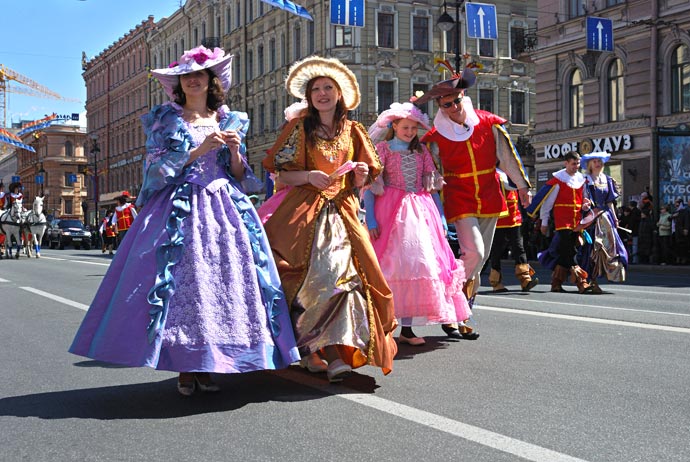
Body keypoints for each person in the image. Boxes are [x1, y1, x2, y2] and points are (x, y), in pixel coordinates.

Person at [70, 45, 299, 396]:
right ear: (179, 84)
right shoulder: (166, 119)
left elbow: (240, 175)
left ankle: (212, 362)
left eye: (199, 75)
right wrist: (198, 149)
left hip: (225, 209)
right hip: (180, 208)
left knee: (223, 286)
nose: (193, 80)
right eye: (186, 76)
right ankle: (184, 366)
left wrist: (236, 151)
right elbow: (155, 169)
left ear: (211, 81)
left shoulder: (230, 119)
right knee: (184, 287)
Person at [262, 56, 398, 382]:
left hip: (343, 213)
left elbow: (364, 177)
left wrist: (362, 174)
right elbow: (281, 172)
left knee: (346, 279)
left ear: (340, 94)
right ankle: (313, 350)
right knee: (308, 280)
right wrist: (308, 175)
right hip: (301, 214)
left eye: (328, 88)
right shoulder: (299, 128)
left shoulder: (354, 131)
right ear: (308, 97)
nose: (322, 93)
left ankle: (333, 349)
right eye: (316, 89)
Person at [416, 70, 532, 338]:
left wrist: (523, 186)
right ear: (440, 107)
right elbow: (430, 170)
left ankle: (462, 314)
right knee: (476, 254)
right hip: (459, 196)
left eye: (457, 100)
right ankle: (448, 297)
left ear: (463, 96)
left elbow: (507, 156)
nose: (454, 107)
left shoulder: (488, 122)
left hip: (491, 194)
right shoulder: (435, 136)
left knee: (477, 261)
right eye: (447, 104)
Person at [363, 102, 472, 345]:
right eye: (405, 127)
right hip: (390, 209)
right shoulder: (383, 149)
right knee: (391, 265)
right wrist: (370, 217)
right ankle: (383, 325)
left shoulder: (421, 152)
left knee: (418, 266)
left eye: (414, 128)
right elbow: (371, 187)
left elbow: (432, 189)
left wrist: (441, 217)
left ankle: (408, 329)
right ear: (394, 126)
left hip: (422, 212)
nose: (410, 132)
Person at [527, 151, 592, 293]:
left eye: (578, 164)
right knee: (571, 251)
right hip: (563, 222)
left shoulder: (582, 180)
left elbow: (583, 200)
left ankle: (556, 283)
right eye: (573, 164)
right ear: (566, 163)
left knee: (565, 254)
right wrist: (544, 222)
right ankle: (582, 282)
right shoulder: (558, 180)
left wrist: (585, 205)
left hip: (577, 221)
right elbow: (547, 204)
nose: (576, 166)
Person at [578, 152, 628, 292]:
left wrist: (615, 218)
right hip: (591, 219)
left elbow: (610, 202)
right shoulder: (585, 180)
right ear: (590, 164)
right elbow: (583, 199)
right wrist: (585, 206)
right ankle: (589, 280)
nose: (598, 163)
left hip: (606, 219)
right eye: (594, 161)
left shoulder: (607, 179)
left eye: (599, 161)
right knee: (593, 250)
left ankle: (605, 276)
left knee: (611, 249)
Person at [488, 170, 539, 293]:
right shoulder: (492, 172)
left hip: (514, 217)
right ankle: (496, 282)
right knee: (497, 251)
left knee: (519, 247)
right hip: (499, 217)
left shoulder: (514, 173)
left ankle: (525, 279)